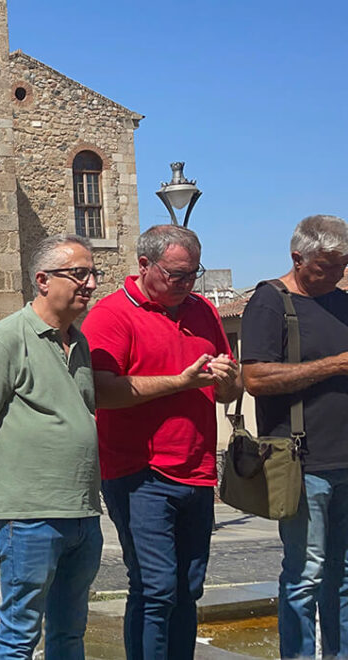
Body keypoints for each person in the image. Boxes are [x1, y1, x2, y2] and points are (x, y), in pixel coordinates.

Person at [82, 224, 242, 659]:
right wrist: (179, 382)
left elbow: (228, 391)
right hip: (140, 474)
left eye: (193, 273)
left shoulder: (203, 311)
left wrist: (229, 380)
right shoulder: (112, 314)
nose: (187, 283)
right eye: (176, 274)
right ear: (144, 265)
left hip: (197, 471)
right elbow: (101, 391)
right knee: (155, 589)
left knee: (189, 588)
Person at [0, 234, 104, 659]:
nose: (92, 283)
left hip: (82, 514)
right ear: (43, 280)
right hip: (28, 517)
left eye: (93, 273)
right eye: (79, 274)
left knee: (70, 633)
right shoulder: (6, 339)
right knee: (19, 636)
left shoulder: (79, 342)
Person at [240, 215, 348, 659]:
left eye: (342, 266)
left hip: (345, 460)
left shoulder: (342, 302)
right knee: (305, 576)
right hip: (304, 463)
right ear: (298, 258)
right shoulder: (270, 302)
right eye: (326, 267)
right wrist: (334, 366)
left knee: (344, 577)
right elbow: (255, 378)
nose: (336, 275)